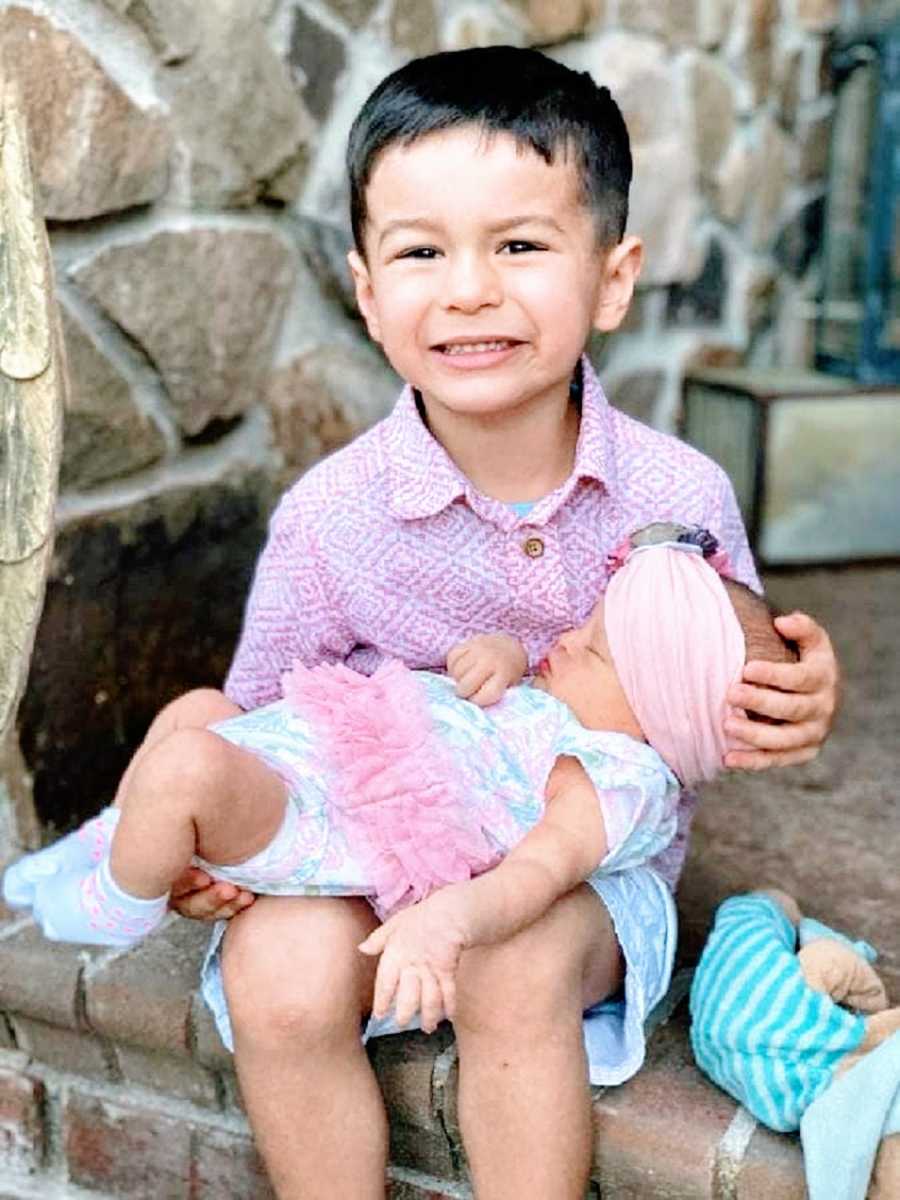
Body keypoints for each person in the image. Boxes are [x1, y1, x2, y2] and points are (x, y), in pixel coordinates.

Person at [33, 45, 843, 1199]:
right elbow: (269, 712)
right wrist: (231, 842)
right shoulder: (333, 515)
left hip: (577, 870)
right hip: (367, 841)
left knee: (515, 971)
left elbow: (734, 677)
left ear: (612, 280)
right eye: (421, 251)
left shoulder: (678, 497)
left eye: (519, 244)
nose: (469, 289)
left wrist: (798, 700)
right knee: (281, 982)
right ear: (369, 293)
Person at [4, 529, 795, 1109]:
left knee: (187, 768)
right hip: (314, 752)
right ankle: (118, 838)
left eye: (590, 650)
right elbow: (519, 693)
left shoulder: (614, 777)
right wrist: (509, 660)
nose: (564, 642)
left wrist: (444, 922)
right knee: (199, 710)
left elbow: (535, 873)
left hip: (333, 816)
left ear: (657, 715)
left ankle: (120, 900)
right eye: (581, 627)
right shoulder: (559, 705)